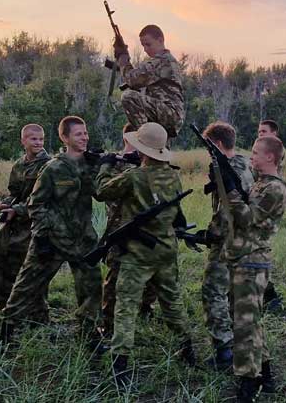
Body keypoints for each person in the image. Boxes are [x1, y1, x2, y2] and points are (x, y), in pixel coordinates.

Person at [95, 122, 195, 382]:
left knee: (125, 307)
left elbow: (101, 191)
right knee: (172, 301)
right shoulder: (173, 176)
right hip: (165, 249)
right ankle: (187, 347)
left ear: (142, 150)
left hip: (137, 254)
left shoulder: (134, 177)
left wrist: (105, 164)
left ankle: (120, 364)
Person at [0, 116, 104, 350]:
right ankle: (6, 333)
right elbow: (36, 204)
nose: (84, 137)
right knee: (27, 286)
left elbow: (100, 194)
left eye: (86, 133)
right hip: (52, 238)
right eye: (78, 134)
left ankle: (90, 336)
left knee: (92, 288)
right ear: (64, 138)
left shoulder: (89, 164)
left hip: (82, 239)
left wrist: (100, 166)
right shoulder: (53, 167)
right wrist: (43, 236)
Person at [227, 136, 286, 402]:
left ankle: (248, 383)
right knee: (250, 322)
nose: (251, 157)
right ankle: (265, 373)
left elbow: (247, 218)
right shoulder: (260, 183)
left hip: (253, 261)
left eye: (255, 153)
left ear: (270, 158)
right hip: (244, 258)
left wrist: (230, 192)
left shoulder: (274, 189)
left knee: (244, 326)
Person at [199, 122, 254, 370]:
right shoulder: (245, 165)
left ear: (218, 145)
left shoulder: (229, 171)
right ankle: (240, 343)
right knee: (234, 292)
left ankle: (223, 349)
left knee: (213, 290)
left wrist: (210, 234)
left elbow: (227, 212)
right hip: (245, 238)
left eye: (209, 147)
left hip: (228, 239)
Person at [100, 123, 159, 338]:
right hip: (120, 229)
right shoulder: (113, 161)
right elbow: (103, 191)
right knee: (115, 277)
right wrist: (108, 165)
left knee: (151, 275)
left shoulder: (150, 162)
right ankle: (108, 324)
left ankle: (145, 309)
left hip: (146, 229)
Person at [0, 124, 51, 316]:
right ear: (23, 141)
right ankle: (4, 304)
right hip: (15, 222)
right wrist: (5, 204)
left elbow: (43, 199)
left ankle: (35, 312)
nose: (38, 143)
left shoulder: (48, 165)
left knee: (28, 268)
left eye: (41, 139)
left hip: (35, 223)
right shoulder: (19, 165)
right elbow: (14, 193)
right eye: (33, 139)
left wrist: (16, 209)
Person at [114, 24, 185, 138]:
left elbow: (132, 79)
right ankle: (152, 143)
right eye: (143, 46)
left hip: (169, 113)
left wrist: (123, 58)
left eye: (148, 44)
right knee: (157, 152)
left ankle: (146, 139)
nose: (146, 49)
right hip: (166, 114)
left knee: (129, 97)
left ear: (160, 40)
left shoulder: (163, 61)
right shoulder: (165, 61)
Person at [256, 120, 284, 312]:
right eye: (258, 131)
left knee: (259, 253)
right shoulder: (260, 152)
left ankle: (269, 296)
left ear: (274, 133)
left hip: (268, 207)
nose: (260, 134)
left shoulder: (274, 155)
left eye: (264, 131)